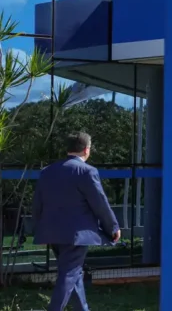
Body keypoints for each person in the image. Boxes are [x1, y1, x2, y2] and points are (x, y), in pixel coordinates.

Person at [32, 132, 120, 311]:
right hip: (76, 235)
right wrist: (113, 227)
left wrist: (38, 229)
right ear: (86, 150)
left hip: (52, 233)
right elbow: (99, 203)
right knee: (69, 274)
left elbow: (37, 204)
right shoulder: (87, 171)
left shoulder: (47, 171)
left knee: (74, 274)